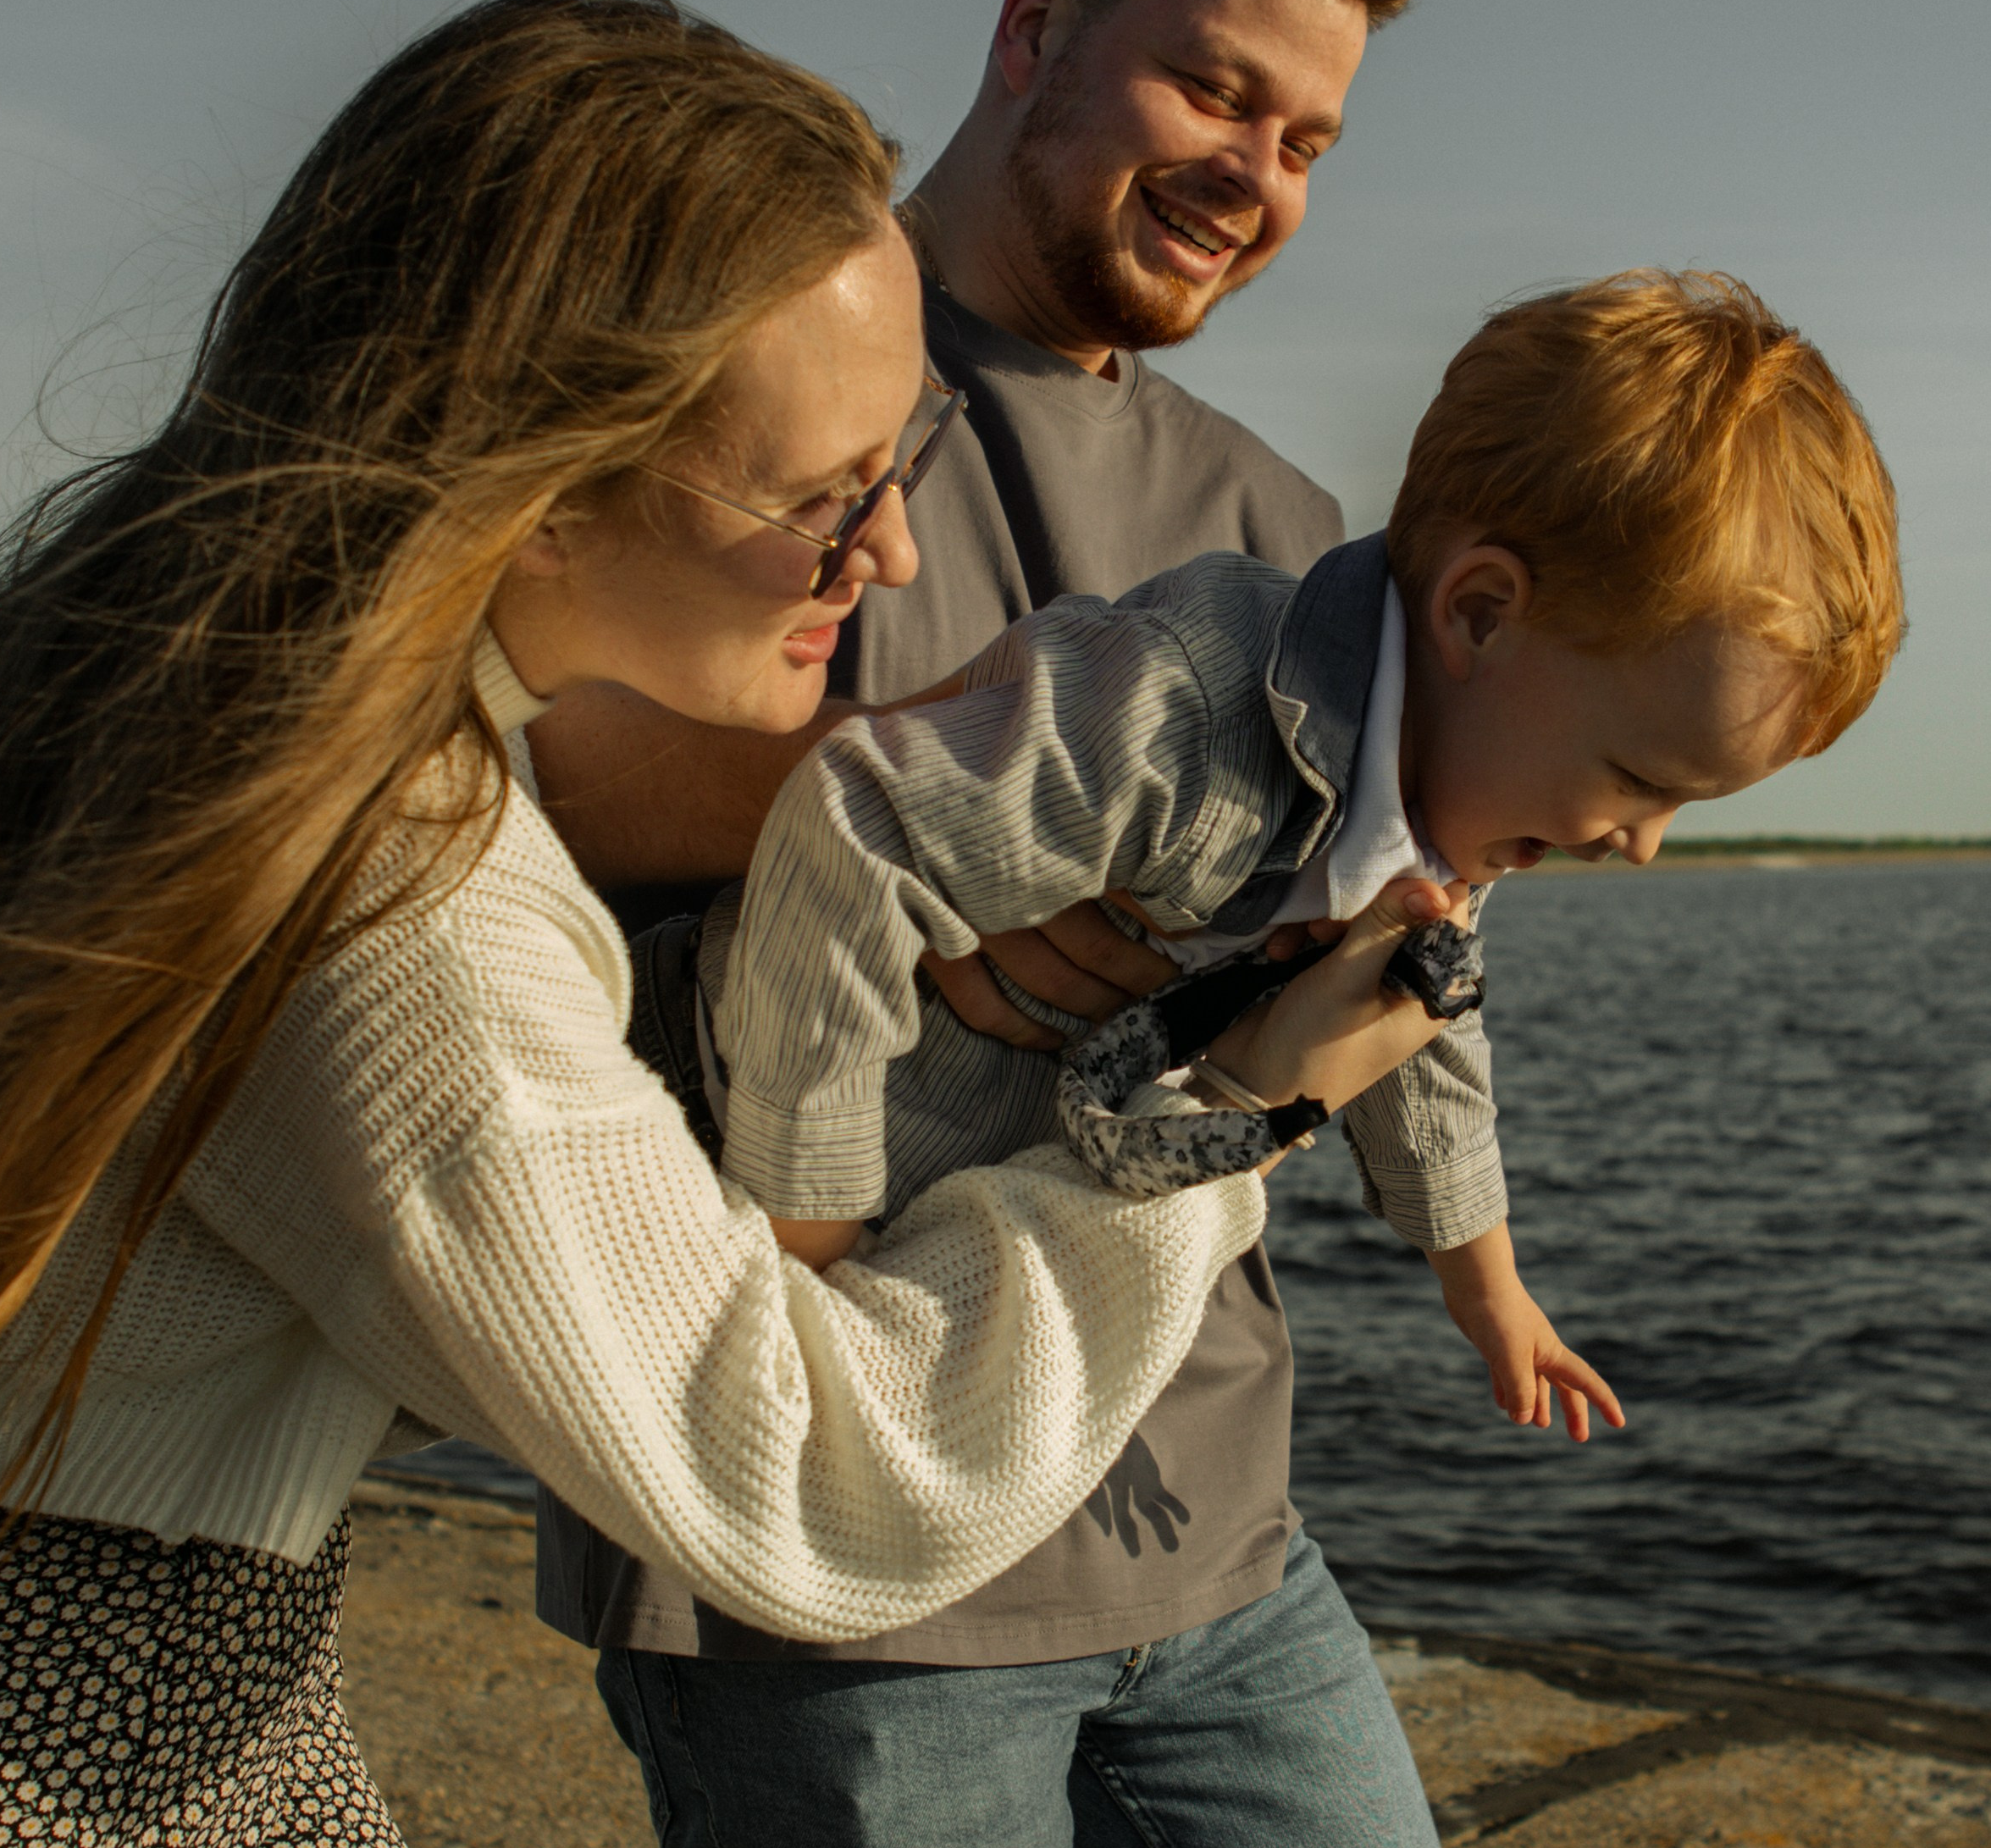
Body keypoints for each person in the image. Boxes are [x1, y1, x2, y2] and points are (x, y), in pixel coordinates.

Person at [0, 0, 1443, 1848]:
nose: (892, 560)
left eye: (903, 470)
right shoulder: (395, 900)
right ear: (537, 482)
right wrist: (1219, 1115)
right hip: (36, 1746)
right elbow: (810, 1484)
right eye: (822, 494)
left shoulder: (159, 670)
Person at [531, 0, 1535, 1848]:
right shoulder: (751, 357)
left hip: (1213, 1524)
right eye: (1213, 86)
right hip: (839, 1540)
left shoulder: (1277, 515)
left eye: (1309, 142)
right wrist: (971, 831)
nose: (1253, 175)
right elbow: (501, 743)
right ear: (1033, 24)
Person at [713, 270, 1903, 1259]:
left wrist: (1479, 1276)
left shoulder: (1453, 795)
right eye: (1640, 780)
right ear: (1481, 616)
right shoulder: (1184, 708)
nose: (1639, 843)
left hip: (970, 1220)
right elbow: (853, 826)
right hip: (769, 1142)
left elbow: (1425, 1031)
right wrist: (805, 1219)